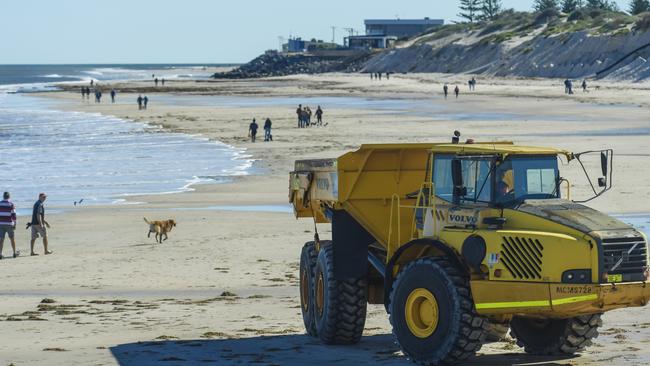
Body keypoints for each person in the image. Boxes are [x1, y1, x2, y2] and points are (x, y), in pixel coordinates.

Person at [0, 192, 18, 259]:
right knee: (12, 238)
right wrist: (15, 224)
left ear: (3, 196)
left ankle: (0, 253)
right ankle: (14, 252)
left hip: (1, 224)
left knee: (1, 239)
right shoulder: (11, 204)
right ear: (9, 197)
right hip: (9, 224)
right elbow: (14, 215)